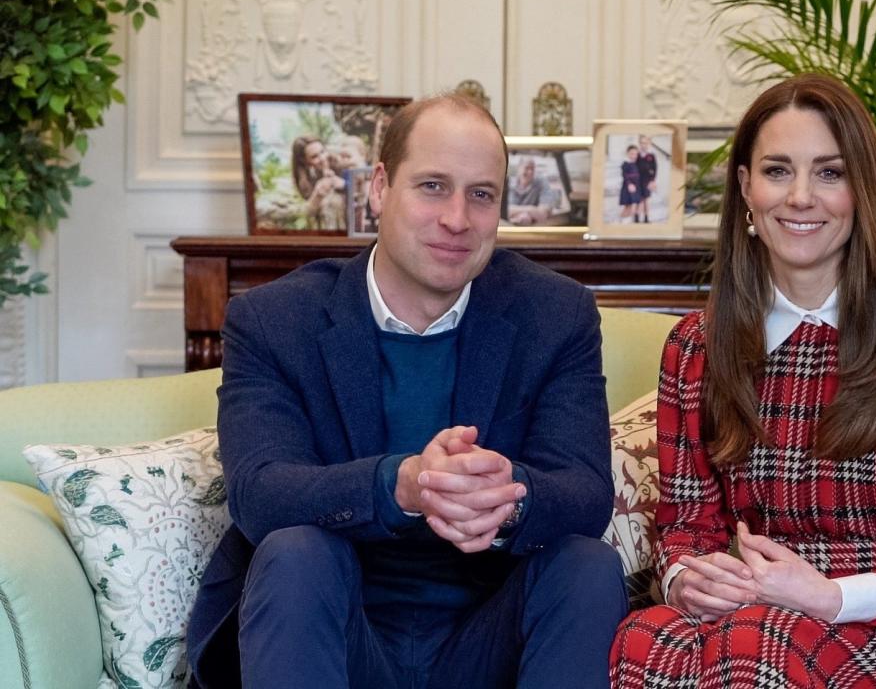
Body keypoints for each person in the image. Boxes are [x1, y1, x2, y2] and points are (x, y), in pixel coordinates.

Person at [186, 94, 627, 689]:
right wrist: (405, 485)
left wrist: (507, 495)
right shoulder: (275, 320)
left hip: (492, 636)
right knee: (295, 552)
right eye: (433, 186)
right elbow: (260, 494)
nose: (457, 219)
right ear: (379, 188)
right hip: (335, 629)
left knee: (587, 566)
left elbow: (586, 494)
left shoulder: (555, 314)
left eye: (481, 194)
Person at [609, 73, 876, 688]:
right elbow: (689, 525)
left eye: (829, 172)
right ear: (745, 189)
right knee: (642, 641)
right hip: (746, 622)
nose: (801, 196)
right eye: (777, 171)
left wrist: (826, 597)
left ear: (863, 191)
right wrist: (686, 577)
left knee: (760, 642)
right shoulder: (696, 348)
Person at [507, 157, 558, 226]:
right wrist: (530, 210)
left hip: (536, 228)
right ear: (519, 168)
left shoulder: (541, 182)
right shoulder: (509, 184)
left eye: (532, 169)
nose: (530, 172)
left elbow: (542, 214)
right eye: (527, 168)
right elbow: (504, 211)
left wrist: (522, 214)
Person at [635, 135, 658, 223]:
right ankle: (637, 216)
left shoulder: (651, 155)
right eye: (641, 143)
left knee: (646, 200)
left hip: (647, 181)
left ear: (648, 144)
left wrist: (652, 180)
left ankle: (646, 217)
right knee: (639, 200)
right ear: (639, 144)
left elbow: (655, 169)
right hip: (638, 180)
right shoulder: (637, 155)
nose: (643, 145)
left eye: (645, 143)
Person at [618, 144, 642, 222]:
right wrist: (629, 184)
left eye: (636, 154)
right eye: (632, 153)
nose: (634, 155)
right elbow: (625, 175)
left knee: (636, 204)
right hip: (628, 187)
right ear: (627, 153)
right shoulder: (625, 164)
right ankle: (621, 219)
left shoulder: (636, 164)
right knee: (628, 205)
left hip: (637, 187)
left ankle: (632, 220)